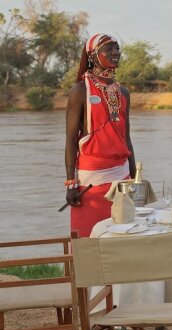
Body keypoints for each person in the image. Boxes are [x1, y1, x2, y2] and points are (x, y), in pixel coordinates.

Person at [65, 33, 136, 237]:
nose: (116, 52)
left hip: (121, 178)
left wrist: (134, 178)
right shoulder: (80, 91)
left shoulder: (123, 92)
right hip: (90, 182)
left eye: (117, 48)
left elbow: (126, 137)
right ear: (93, 55)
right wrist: (71, 183)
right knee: (87, 240)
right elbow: (70, 140)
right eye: (109, 48)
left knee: (120, 237)